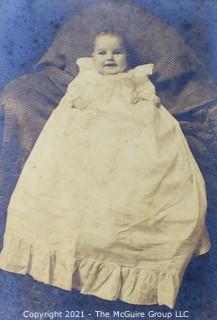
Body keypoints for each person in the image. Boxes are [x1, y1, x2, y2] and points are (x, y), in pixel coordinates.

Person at [0, 31, 210, 308]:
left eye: (116, 52)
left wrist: (147, 112)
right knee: (66, 184)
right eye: (102, 53)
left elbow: (150, 106)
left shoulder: (136, 78)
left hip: (128, 136)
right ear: (92, 56)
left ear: (127, 57)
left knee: (141, 179)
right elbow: (72, 102)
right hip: (89, 136)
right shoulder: (86, 76)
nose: (109, 58)